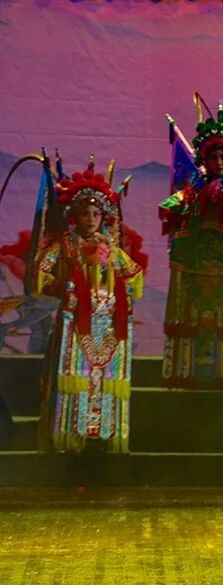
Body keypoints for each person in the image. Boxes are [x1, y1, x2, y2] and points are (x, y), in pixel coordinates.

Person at [37, 166, 144, 453]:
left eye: (96, 214)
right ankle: (71, 434)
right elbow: (42, 271)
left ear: (103, 217)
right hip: (75, 325)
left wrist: (119, 292)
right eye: (85, 213)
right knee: (77, 377)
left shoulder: (112, 249)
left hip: (108, 327)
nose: (91, 219)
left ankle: (104, 433)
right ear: (76, 216)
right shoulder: (66, 245)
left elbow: (134, 275)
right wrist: (63, 287)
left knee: (103, 378)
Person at [159, 105, 223, 388]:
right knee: (190, 321)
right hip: (193, 264)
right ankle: (185, 374)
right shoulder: (194, 187)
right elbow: (168, 207)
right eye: (212, 156)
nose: (218, 161)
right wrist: (185, 205)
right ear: (204, 159)